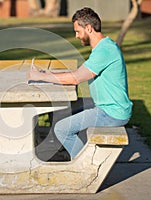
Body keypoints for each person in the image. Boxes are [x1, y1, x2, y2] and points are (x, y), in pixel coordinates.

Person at [28, 7, 133, 159]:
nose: (76, 36)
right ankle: (68, 148)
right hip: (109, 107)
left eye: (78, 31)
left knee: (61, 129)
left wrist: (40, 76)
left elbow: (75, 78)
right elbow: (77, 74)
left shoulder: (104, 51)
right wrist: (46, 73)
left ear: (89, 28)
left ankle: (85, 163)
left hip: (111, 112)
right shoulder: (103, 47)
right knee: (61, 109)